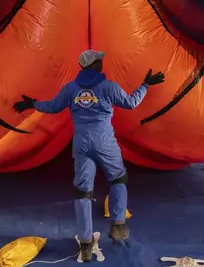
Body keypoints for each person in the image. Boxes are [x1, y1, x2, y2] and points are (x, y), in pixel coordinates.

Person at [13, 49, 165, 262]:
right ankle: (118, 224)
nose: (102, 63)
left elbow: (53, 107)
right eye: (99, 61)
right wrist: (145, 85)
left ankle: (85, 245)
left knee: (83, 192)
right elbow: (131, 103)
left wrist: (32, 104)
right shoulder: (108, 86)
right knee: (118, 178)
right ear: (93, 65)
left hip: (82, 143)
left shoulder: (71, 88)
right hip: (104, 141)